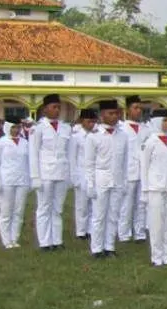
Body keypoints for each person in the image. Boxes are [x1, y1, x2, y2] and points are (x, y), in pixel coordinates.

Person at [84, 100, 127, 259]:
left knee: (113, 214)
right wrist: (90, 184)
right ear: (102, 115)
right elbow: (88, 163)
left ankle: (110, 246)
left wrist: (125, 182)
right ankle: (96, 248)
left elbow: (125, 161)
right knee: (99, 215)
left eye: (116, 113)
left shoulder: (122, 136)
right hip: (100, 179)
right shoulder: (93, 137)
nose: (114, 116)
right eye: (110, 113)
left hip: (117, 179)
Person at [29, 93, 71, 251]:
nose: (57, 110)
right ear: (45, 109)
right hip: (45, 173)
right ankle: (45, 242)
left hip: (61, 172)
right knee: (44, 207)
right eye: (54, 107)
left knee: (58, 208)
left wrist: (69, 175)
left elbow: (69, 153)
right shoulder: (38, 129)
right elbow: (33, 154)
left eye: (59, 107)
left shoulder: (66, 128)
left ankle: (57, 240)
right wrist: (35, 177)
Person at [141, 109, 167, 267]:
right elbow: (143, 167)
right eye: (165, 120)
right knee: (156, 223)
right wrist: (144, 191)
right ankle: (156, 256)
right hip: (155, 187)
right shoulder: (150, 141)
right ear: (157, 121)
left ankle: (166, 254)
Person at [0, 122, 30, 249]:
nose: (16, 130)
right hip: (6, 180)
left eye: (18, 127)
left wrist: (30, 180)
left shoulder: (25, 143)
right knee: (6, 210)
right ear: (7, 127)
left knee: (19, 211)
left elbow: (29, 162)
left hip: (22, 180)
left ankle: (15, 238)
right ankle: (6, 240)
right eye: (13, 127)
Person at [119, 95, 149, 243]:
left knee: (141, 203)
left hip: (142, 171)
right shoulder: (122, 129)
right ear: (127, 110)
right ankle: (124, 233)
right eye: (135, 108)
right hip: (128, 171)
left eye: (140, 108)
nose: (138, 111)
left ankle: (140, 232)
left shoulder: (146, 129)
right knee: (126, 203)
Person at [69, 108, 98, 240]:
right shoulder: (76, 137)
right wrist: (74, 177)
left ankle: (91, 229)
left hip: (94, 173)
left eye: (93, 121)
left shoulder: (97, 136)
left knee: (94, 203)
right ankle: (81, 231)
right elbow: (72, 158)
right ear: (82, 121)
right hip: (81, 173)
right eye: (88, 121)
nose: (91, 124)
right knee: (82, 205)